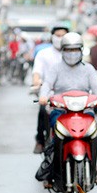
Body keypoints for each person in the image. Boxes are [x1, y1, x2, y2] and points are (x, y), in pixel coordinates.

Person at [38, 32, 97, 189]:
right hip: (61, 110)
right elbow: (47, 85)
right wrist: (43, 96)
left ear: (81, 50)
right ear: (62, 50)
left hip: (84, 110)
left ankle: (94, 167)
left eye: (75, 50)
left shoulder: (88, 69)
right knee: (55, 132)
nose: (72, 53)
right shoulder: (55, 68)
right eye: (68, 50)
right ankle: (52, 169)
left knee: (93, 131)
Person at [31, 25, 69, 154]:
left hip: (71, 95)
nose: (60, 38)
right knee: (43, 110)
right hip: (49, 94)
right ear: (52, 37)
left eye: (63, 35)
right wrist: (37, 81)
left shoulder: (72, 54)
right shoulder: (43, 54)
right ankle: (40, 140)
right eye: (57, 35)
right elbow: (37, 73)